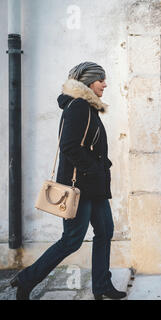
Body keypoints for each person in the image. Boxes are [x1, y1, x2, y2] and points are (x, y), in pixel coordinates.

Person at [10, 62, 127, 300]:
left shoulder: (89, 107)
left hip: (94, 186)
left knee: (105, 231)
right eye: (101, 79)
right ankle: (25, 279)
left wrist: (101, 166)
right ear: (89, 82)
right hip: (80, 187)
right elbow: (69, 146)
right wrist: (95, 168)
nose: (105, 84)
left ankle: (102, 285)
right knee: (72, 240)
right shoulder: (79, 106)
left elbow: (89, 147)